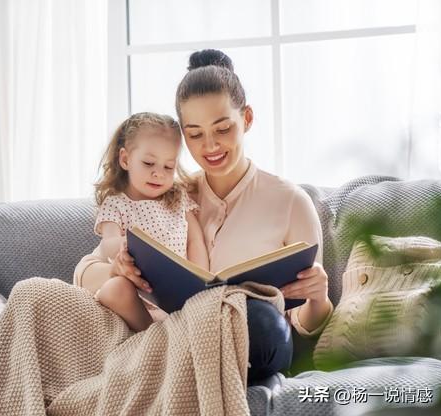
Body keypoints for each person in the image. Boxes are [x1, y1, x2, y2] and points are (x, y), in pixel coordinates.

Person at [75, 49, 334, 382]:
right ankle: (172, 362)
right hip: (172, 329)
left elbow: (301, 325)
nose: (210, 146)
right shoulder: (167, 194)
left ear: (247, 119)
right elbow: (84, 271)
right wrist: (118, 268)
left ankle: (180, 360)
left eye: (223, 129)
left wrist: (320, 298)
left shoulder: (291, 202)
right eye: (195, 134)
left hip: (255, 338)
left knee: (263, 325)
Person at [87, 111, 209, 332]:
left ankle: (165, 331)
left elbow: (195, 240)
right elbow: (108, 242)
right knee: (114, 288)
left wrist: (199, 278)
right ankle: (151, 336)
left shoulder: (178, 199)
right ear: (125, 159)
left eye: (168, 167)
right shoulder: (117, 204)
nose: (158, 174)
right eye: (149, 163)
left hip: (175, 293)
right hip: (136, 292)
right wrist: (126, 247)